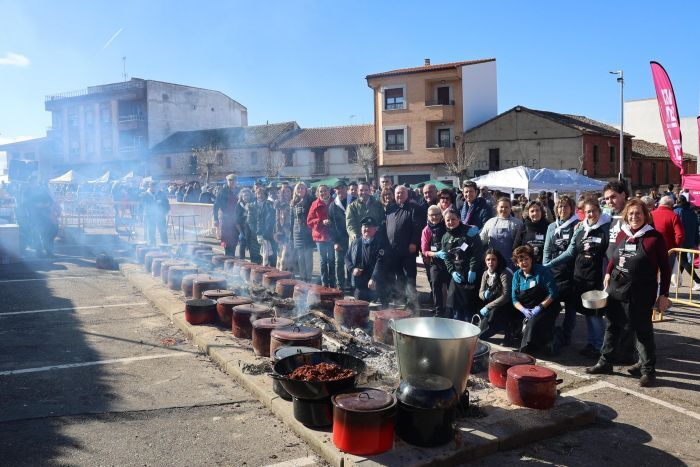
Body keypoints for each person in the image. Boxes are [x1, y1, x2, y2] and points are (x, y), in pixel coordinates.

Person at [587, 198, 671, 387]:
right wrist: (608, 272)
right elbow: (614, 257)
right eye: (631, 213)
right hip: (617, 289)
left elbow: (665, 269)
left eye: (638, 213)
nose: (634, 217)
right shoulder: (622, 234)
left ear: (645, 215)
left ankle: (648, 371)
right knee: (612, 326)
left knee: (642, 331)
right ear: (626, 216)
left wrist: (664, 294)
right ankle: (605, 362)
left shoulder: (654, 237)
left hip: (641, 292)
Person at [545, 196, 611, 358]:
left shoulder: (606, 228)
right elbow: (570, 252)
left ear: (599, 211)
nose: (591, 214)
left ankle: (599, 346)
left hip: (597, 276)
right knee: (587, 312)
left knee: (595, 314)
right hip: (580, 277)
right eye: (588, 212)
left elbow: (611, 254)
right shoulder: (581, 228)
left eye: (593, 211)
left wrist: (608, 273)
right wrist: (549, 264)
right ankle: (592, 343)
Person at [543, 195, 580, 346]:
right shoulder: (552, 226)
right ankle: (550, 331)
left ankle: (567, 334)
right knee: (552, 303)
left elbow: (571, 251)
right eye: (559, 207)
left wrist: (550, 264)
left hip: (571, 270)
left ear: (571, 208)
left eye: (566, 206)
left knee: (571, 306)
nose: (562, 209)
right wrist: (545, 267)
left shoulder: (577, 225)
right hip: (554, 271)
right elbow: (547, 249)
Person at [437, 208, 484, 321]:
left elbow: (476, 252)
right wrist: (452, 271)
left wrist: (472, 269)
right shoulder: (445, 237)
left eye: (453, 219)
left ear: (459, 218)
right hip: (456, 275)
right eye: (448, 220)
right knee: (456, 310)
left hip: (470, 273)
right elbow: (447, 257)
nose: (451, 222)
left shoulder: (469, 232)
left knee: (468, 310)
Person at [511, 245, 560, 354]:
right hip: (527, 308)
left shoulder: (542, 271)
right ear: (517, 263)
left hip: (546, 307)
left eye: (526, 259)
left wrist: (539, 308)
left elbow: (553, 293)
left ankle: (525, 351)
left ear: (531, 259)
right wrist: (523, 310)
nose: (524, 262)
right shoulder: (516, 275)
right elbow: (514, 299)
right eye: (521, 260)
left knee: (532, 325)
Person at [385, 185, 423, 307]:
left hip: (408, 249)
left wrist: (414, 243)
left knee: (409, 276)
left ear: (407, 194)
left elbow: (417, 227)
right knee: (399, 276)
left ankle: (412, 302)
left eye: (402, 193)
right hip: (393, 249)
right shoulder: (391, 208)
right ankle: (401, 299)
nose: (400, 195)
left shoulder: (414, 208)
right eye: (397, 193)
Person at [345, 216, 391, 306]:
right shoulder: (356, 242)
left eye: (370, 227)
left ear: (375, 229)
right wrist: (352, 269)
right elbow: (347, 257)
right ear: (361, 229)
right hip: (361, 281)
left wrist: (373, 278)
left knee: (385, 308)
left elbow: (380, 262)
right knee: (358, 307)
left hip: (377, 281)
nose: (367, 229)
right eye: (364, 226)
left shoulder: (380, 244)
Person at [477, 248, 519, 343]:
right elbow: (480, 292)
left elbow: (506, 296)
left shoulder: (505, 273)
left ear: (498, 260)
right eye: (488, 259)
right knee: (481, 335)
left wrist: (488, 307)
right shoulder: (485, 273)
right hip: (493, 304)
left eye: (493, 259)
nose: (490, 262)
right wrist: (484, 295)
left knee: (495, 316)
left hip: (507, 305)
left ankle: (510, 332)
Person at [480, 197, 522, 269]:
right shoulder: (490, 222)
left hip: (511, 262)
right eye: (501, 207)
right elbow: (482, 240)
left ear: (510, 208)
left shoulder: (518, 223)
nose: (504, 209)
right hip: (492, 263)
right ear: (497, 208)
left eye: (506, 207)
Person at [421, 205, 449, 317]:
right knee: (435, 283)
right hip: (435, 261)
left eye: (437, 214)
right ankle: (439, 311)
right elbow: (424, 250)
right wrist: (436, 254)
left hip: (449, 261)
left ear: (441, 214)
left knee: (450, 286)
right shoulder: (426, 230)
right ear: (428, 216)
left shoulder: (447, 225)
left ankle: (451, 310)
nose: (434, 217)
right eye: (431, 215)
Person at [307, 184, 335, 288]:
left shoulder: (334, 202)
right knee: (323, 261)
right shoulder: (315, 204)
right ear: (318, 193)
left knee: (331, 260)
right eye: (321, 191)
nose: (323, 193)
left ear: (329, 191)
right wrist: (321, 221)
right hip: (320, 236)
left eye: (325, 190)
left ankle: (332, 283)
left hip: (332, 235)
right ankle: (324, 283)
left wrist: (331, 222)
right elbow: (309, 221)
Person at [651, 196, 684, 277]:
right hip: (668, 251)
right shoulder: (673, 216)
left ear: (660, 203)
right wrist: (675, 248)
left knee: (653, 275)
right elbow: (680, 235)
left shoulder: (651, 214)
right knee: (666, 276)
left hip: (652, 249)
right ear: (671, 205)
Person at [290, 182, 315, 282]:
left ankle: (308, 278)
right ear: (296, 190)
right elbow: (292, 220)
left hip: (308, 232)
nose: (300, 190)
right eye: (298, 188)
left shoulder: (311, 201)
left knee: (308, 257)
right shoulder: (293, 202)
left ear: (306, 190)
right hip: (297, 232)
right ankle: (302, 277)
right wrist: (291, 235)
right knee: (300, 257)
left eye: (302, 188)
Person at [674, 196, 700, 290]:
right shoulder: (692, 212)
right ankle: (678, 281)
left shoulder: (677, 211)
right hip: (690, 240)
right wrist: (696, 241)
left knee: (683, 261)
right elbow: (696, 227)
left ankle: (697, 281)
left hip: (680, 240)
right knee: (682, 260)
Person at [328, 180, 350, 291]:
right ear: (335, 191)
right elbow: (331, 226)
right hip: (339, 240)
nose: (340, 190)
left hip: (353, 239)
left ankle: (351, 285)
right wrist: (335, 242)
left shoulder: (353, 201)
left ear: (346, 188)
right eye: (338, 189)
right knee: (339, 263)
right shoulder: (332, 206)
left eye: (342, 188)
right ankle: (340, 286)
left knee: (352, 263)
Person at [247, 185, 276, 265]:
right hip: (255, 237)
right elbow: (250, 222)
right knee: (255, 260)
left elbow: (271, 219)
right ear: (256, 195)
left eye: (262, 193)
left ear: (265, 194)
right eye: (258, 194)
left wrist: (265, 233)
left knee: (269, 259)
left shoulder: (270, 204)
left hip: (268, 235)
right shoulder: (251, 205)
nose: (260, 195)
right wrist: (257, 233)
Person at [213, 174, 240, 256]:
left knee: (235, 238)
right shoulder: (222, 192)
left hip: (237, 219)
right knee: (225, 238)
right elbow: (216, 206)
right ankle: (227, 254)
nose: (232, 182)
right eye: (230, 180)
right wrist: (215, 219)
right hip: (225, 219)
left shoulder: (239, 191)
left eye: (233, 180)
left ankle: (232, 254)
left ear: (236, 181)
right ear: (227, 181)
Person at [140, 181, 170, 246]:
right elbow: (143, 205)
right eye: (155, 187)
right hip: (150, 216)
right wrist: (154, 203)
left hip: (161, 216)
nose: (156, 188)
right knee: (151, 232)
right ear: (150, 187)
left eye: (157, 187)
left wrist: (164, 212)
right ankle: (152, 246)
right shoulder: (145, 194)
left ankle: (165, 246)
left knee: (163, 232)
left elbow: (167, 204)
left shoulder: (162, 193)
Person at [274, 184, 294, 271]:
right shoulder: (279, 204)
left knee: (291, 256)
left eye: (288, 191)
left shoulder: (294, 202)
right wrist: (278, 232)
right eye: (285, 192)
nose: (287, 193)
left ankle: (290, 275)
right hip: (283, 232)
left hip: (292, 231)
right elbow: (277, 219)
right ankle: (281, 273)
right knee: (282, 255)